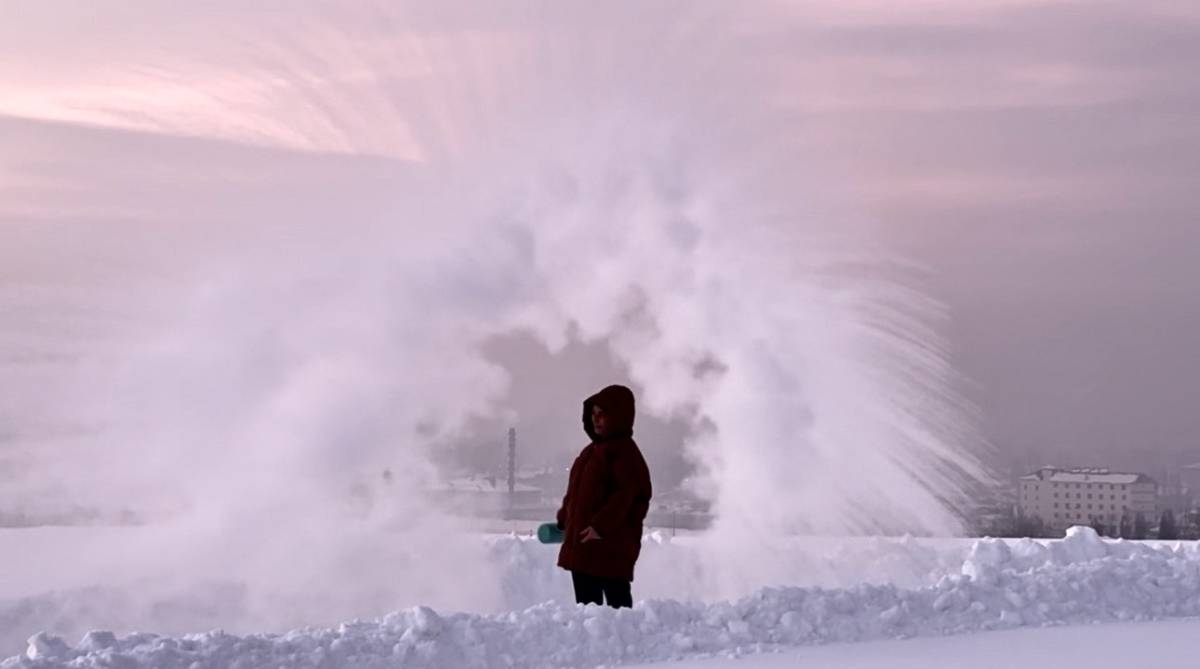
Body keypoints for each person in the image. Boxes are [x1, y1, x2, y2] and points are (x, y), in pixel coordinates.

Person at [555, 384, 653, 608]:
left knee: (617, 610)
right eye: (594, 414)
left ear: (619, 416)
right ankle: (593, 644)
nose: (597, 420)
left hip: (611, 548)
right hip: (584, 546)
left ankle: (626, 643)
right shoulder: (590, 452)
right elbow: (576, 493)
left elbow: (626, 496)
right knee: (588, 612)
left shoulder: (625, 453)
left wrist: (600, 527)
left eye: (603, 415)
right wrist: (564, 520)